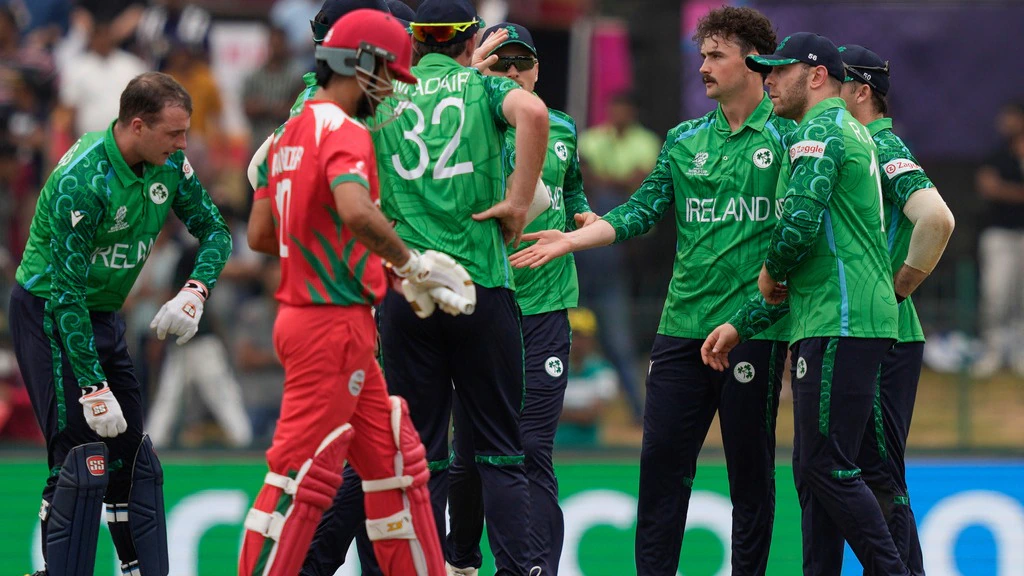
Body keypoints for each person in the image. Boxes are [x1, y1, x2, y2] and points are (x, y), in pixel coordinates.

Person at [512, 8, 793, 574]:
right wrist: (575, 239)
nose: (704, 66)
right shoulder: (686, 138)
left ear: (753, 62)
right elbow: (643, 210)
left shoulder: (789, 139)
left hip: (751, 333)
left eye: (716, 55)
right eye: (702, 54)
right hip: (680, 330)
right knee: (661, 479)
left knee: (752, 481)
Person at [303, 2, 550, 575]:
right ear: (470, 44)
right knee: (501, 454)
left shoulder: (382, 90)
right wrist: (517, 201)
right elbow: (534, 115)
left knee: (417, 457)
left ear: (412, 42)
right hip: (479, 286)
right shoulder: (482, 87)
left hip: (406, 292)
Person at [238, 10, 458, 576]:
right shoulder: (345, 130)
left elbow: (265, 233)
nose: (387, 93)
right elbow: (357, 211)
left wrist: (336, 252)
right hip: (329, 324)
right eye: (386, 77)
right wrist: (411, 265)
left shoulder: (289, 133)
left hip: (324, 320)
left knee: (397, 463)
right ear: (360, 64)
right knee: (299, 475)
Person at [700, 32, 909, 575]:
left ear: (816, 76)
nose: (767, 79)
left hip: (839, 321)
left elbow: (796, 228)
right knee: (825, 469)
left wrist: (769, 271)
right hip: (846, 316)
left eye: (778, 69)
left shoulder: (816, 130)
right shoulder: (848, 130)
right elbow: (813, 262)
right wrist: (743, 323)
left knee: (824, 467)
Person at [10, 71, 232, 576]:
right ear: (137, 125)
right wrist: (91, 384)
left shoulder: (171, 164)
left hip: (104, 312)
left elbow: (217, 233)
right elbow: (66, 294)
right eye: (174, 133)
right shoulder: (82, 182)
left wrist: (195, 292)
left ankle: (136, 567)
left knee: (131, 454)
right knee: (76, 452)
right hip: (49, 312)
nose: (184, 144)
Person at [445, 21, 593, 576]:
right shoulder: (466, 124)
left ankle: (535, 569)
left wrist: (581, 215)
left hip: (547, 305)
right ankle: (460, 560)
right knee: (467, 459)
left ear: (537, 67)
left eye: (521, 63)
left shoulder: (562, 127)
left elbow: (571, 186)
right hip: (481, 303)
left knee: (532, 449)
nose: (512, 73)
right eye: (499, 63)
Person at [837, 44, 955, 576]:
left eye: (832, 83)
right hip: (872, 331)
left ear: (860, 91)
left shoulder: (882, 146)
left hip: (884, 332)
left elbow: (937, 219)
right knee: (869, 472)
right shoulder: (857, 145)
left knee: (879, 474)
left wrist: (897, 288)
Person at [972, 100, 1024, 377]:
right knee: (996, 294)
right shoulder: (997, 153)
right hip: (1000, 234)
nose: (1006, 122)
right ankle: (992, 350)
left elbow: (998, 188)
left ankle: (1019, 353)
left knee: (1021, 296)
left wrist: (1007, 190)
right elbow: (988, 187)